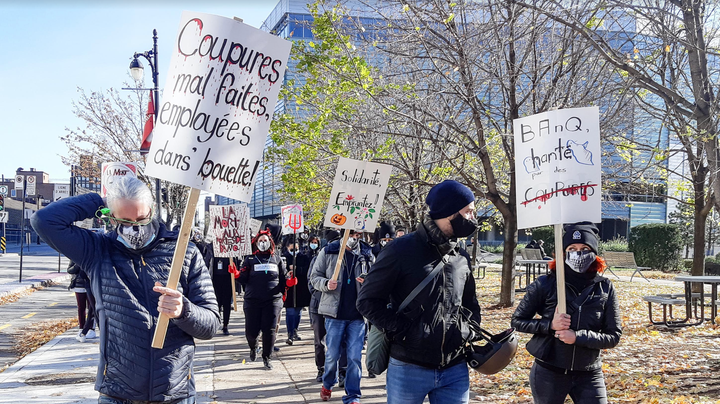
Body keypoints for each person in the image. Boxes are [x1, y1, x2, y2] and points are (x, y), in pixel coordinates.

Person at [31, 176, 220, 404]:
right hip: (117, 392)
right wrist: (101, 201)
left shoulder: (185, 253)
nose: (135, 229)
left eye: (141, 218)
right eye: (126, 221)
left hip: (174, 391)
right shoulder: (96, 251)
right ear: (112, 217)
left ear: (152, 210)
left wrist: (184, 311)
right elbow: (44, 220)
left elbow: (210, 325)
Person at [357, 179, 482, 404]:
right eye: (468, 212)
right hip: (408, 366)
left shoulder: (461, 256)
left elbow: (470, 303)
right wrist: (403, 329)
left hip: (455, 368)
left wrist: (468, 331)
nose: (473, 218)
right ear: (448, 212)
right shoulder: (400, 250)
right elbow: (367, 301)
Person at [511, 222, 622, 404]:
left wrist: (577, 337)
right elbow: (517, 321)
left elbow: (613, 336)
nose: (578, 253)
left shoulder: (604, 287)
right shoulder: (545, 284)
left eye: (584, 248)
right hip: (549, 372)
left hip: (589, 373)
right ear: (564, 253)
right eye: (572, 248)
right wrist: (550, 326)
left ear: (594, 253)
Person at [310, 230, 374, 403]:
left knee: (354, 357)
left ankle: (353, 394)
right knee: (332, 355)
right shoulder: (328, 251)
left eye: (358, 235)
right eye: (351, 234)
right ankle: (328, 383)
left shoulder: (367, 254)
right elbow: (314, 277)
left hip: (358, 316)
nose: (354, 238)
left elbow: (376, 279)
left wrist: (368, 281)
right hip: (334, 314)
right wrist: (325, 284)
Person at [237, 230, 295, 370]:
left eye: (265, 240)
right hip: (252, 300)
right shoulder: (249, 259)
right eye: (260, 241)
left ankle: (267, 357)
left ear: (270, 242)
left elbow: (283, 277)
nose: (263, 243)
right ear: (256, 243)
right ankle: (253, 346)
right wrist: (237, 274)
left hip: (272, 301)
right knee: (252, 331)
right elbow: (243, 279)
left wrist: (289, 282)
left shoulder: (277, 259)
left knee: (269, 331)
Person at [283, 239, 312, 345]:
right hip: (289, 288)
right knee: (290, 311)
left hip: (300, 288)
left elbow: (307, 270)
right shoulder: (284, 258)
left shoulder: (304, 257)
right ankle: (289, 333)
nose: (294, 250)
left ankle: (295, 330)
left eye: (295, 248)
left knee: (298, 311)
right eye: (291, 248)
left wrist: (297, 269)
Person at [67, 261, 97, 342]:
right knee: (81, 308)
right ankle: (81, 328)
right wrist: (77, 265)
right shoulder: (74, 255)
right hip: (78, 284)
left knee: (91, 307)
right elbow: (69, 270)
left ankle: (91, 328)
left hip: (90, 284)